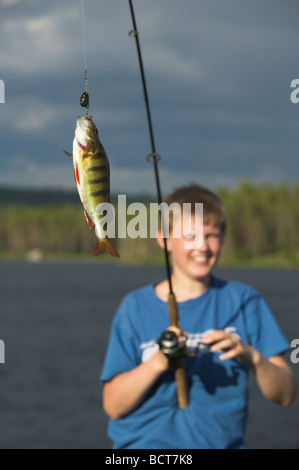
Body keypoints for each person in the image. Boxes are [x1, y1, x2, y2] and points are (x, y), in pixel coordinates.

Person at [100, 183, 296, 449]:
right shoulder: (134, 307)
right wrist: (159, 361)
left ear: (223, 239)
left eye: (211, 235)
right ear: (164, 239)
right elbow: (113, 406)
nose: (202, 246)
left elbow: (285, 395)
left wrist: (251, 356)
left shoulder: (244, 300)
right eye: (190, 235)